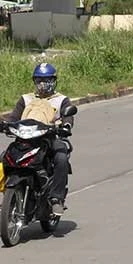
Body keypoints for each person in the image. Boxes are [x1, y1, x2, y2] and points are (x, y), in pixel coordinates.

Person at [5, 63, 75, 215]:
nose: (43, 84)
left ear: (54, 81)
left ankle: (56, 199)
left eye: (47, 80)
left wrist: (66, 126)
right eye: (39, 80)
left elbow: (68, 116)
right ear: (34, 81)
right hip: (25, 139)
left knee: (61, 157)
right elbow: (13, 118)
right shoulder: (26, 99)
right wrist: (6, 125)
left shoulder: (61, 100)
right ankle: (7, 196)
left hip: (49, 139)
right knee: (4, 158)